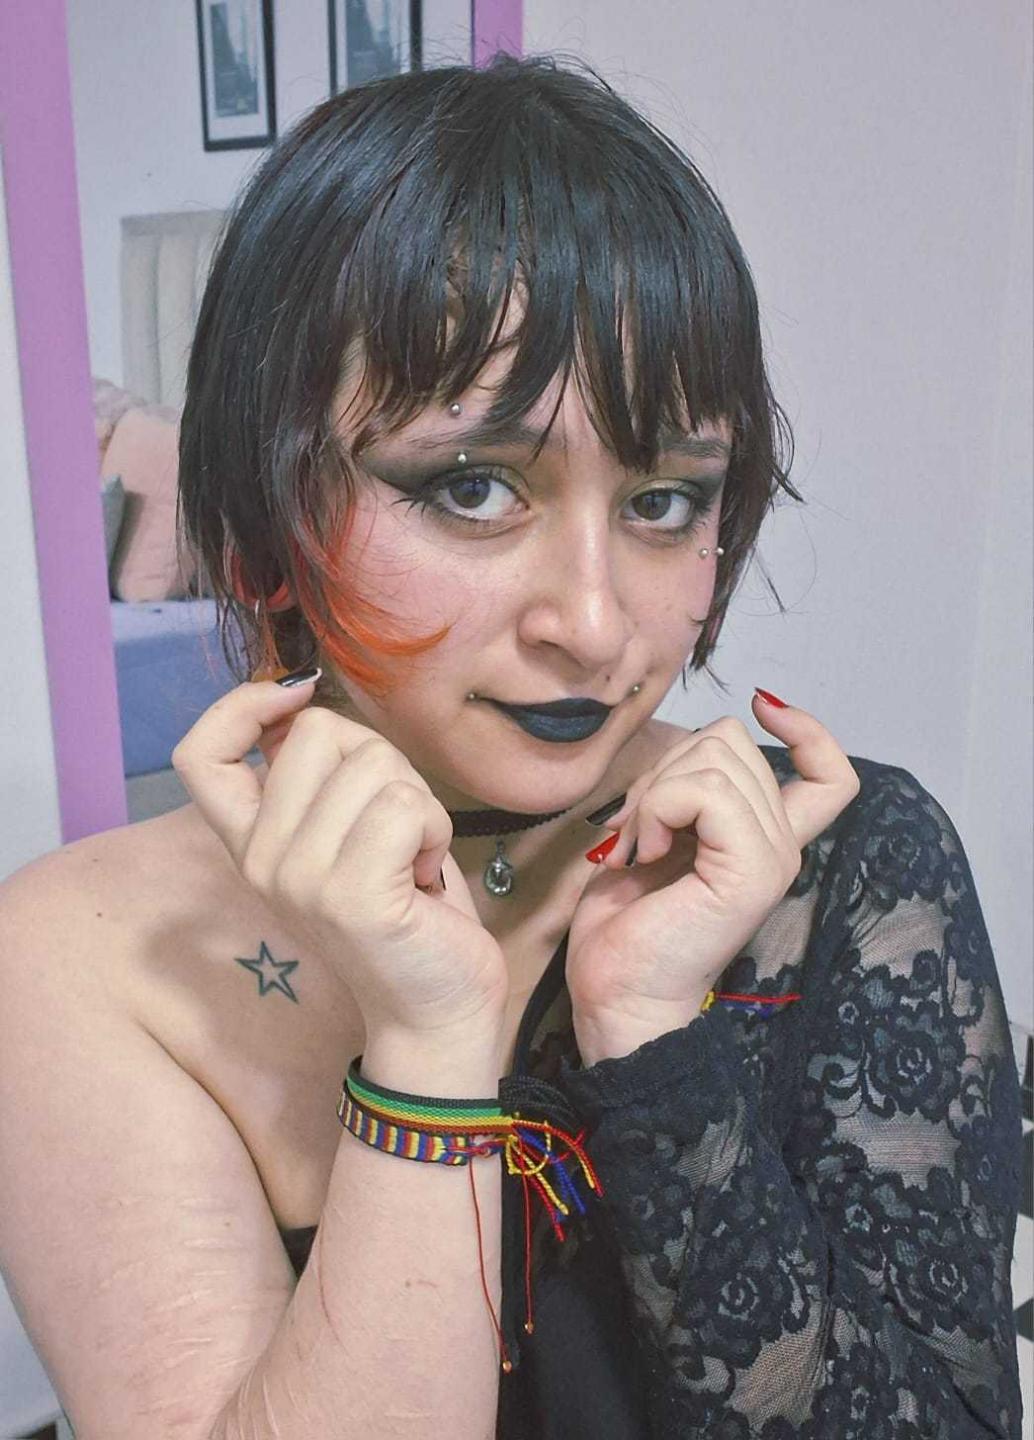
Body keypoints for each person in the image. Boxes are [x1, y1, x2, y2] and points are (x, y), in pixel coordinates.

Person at [0, 52, 1023, 1440]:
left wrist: (656, 1041)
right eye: (473, 489)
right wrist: (427, 1042)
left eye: (663, 499)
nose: (593, 626)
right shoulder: (84, 954)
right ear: (267, 520)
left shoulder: (847, 866)